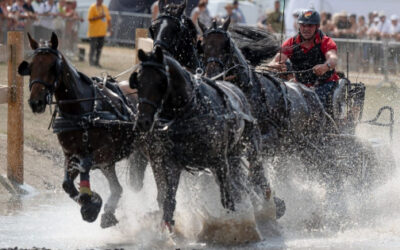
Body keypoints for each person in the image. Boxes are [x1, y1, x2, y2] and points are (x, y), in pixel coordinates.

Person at [268, 9, 339, 115]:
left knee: (317, 105)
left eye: (310, 25)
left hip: (325, 84)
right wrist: (274, 65)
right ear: (299, 26)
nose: (306, 29)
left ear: (317, 26)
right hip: (300, 85)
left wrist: (326, 66)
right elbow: (275, 61)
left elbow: (333, 58)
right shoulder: (291, 42)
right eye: (303, 25)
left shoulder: (326, 41)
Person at [87, 0, 111, 67]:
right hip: (93, 32)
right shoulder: (92, 7)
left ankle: (97, 62)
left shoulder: (105, 7)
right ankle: (91, 62)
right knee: (93, 48)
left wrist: (109, 29)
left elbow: (108, 19)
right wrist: (99, 17)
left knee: (99, 48)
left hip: (102, 32)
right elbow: (90, 19)